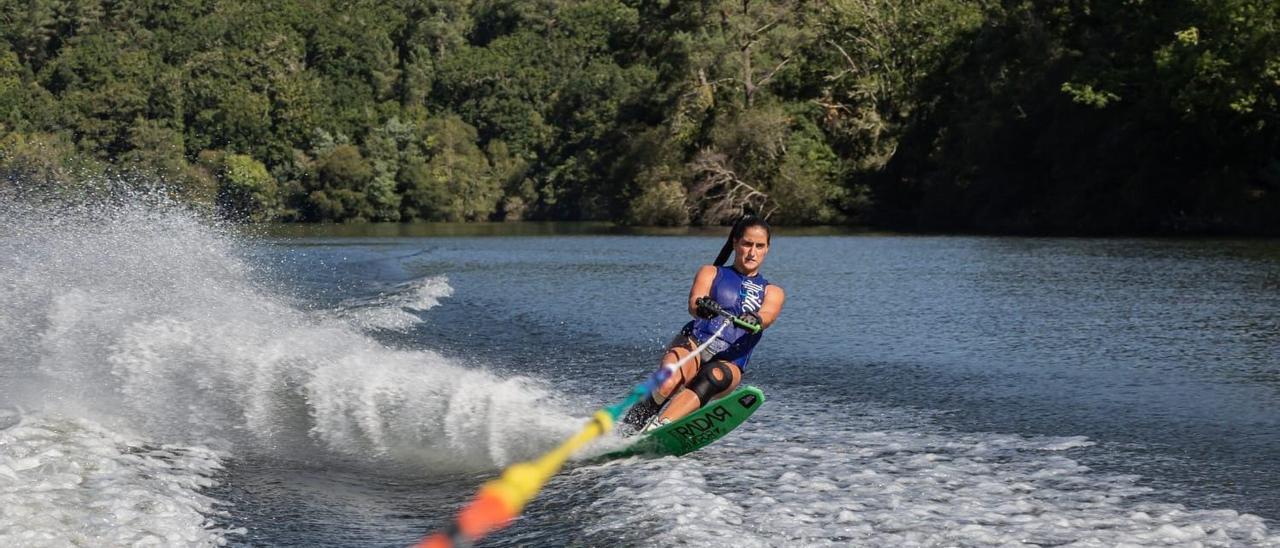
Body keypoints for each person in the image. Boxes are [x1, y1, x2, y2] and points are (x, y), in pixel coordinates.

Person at [622, 215, 785, 432]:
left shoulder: (772, 291)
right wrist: (703, 306)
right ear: (735, 243)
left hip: (730, 361)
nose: (752, 252)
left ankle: (660, 428)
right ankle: (629, 428)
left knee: (712, 377)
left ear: (767, 248)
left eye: (759, 246)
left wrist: (756, 319)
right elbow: (694, 303)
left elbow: (768, 315)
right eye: (747, 244)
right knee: (668, 382)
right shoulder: (711, 272)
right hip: (694, 345)